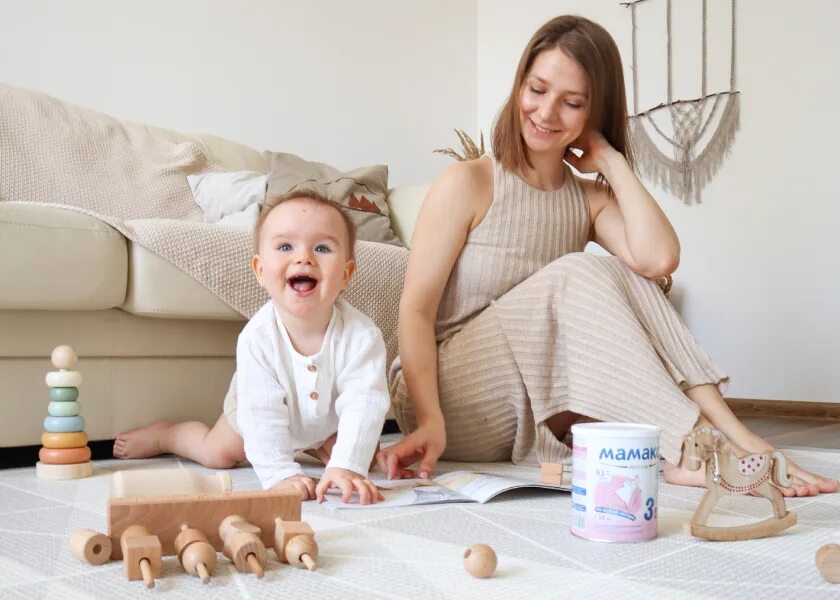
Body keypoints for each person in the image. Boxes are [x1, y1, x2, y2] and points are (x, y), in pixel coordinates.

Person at [376, 15, 837, 497]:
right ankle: (693, 447)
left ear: (593, 115)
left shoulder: (588, 199)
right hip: (447, 402)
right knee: (581, 269)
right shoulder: (469, 182)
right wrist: (427, 420)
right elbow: (415, 310)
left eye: (571, 103)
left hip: (533, 406)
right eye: (537, 90)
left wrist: (612, 162)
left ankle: (736, 436)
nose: (547, 113)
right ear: (518, 87)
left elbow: (658, 260)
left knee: (630, 273)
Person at [114, 190, 390, 504]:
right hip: (259, 404)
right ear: (259, 270)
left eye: (322, 248)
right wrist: (279, 473)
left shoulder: (362, 336)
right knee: (217, 452)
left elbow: (364, 402)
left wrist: (348, 464)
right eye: (285, 246)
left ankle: (315, 444)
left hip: (324, 417)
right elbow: (261, 413)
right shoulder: (257, 338)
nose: (304, 258)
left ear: (346, 274)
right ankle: (169, 434)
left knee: (356, 459)